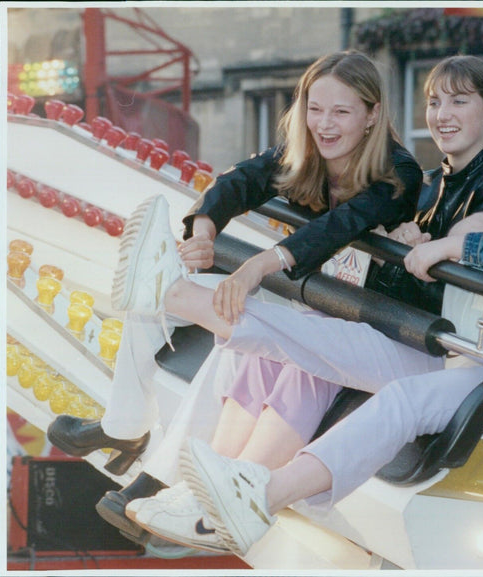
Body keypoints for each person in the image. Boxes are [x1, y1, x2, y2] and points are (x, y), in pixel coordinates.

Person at [154, 99, 483, 559]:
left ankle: (259, 496)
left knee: (403, 401)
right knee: (329, 346)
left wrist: (456, 247)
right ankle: (193, 318)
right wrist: (426, 234)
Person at [118, 54, 483, 552]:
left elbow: (457, 245)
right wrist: (204, 228)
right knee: (270, 356)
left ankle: (176, 296)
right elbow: (246, 179)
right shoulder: (435, 179)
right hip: (393, 324)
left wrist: (421, 244)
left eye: (459, 102)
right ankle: (204, 491)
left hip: (435, 349)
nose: (442, 114)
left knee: (306, 348)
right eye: (435, 101)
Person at [45, 49, 422, 542]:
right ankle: (127, 427)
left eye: (341, 112)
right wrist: (203, 230)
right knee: (157, 307)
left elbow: (336, 228)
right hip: (305, 298)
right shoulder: (305, 150)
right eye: (314, 108)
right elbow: (239, 181)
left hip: (359, 317)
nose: (323, 124)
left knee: (242, 338)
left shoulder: (399, 173)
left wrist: (253, 269)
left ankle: (176, 487)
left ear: (372, 115)